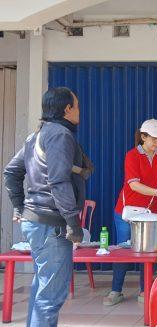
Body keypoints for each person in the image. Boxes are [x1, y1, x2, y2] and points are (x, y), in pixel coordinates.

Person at [3, 87, 89, 326]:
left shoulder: (37, 135)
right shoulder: (61, 134)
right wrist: (73, 222)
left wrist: (21, 208)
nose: (80, 111)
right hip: (52, 226)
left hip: (37, 223)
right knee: (50, 297)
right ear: (67, 109)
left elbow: (11, 172)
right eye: (77, 106)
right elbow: (59, 180)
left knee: (42, 290)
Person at [104, 119, 157, 306]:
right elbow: (134, 184)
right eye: (154, 139)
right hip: (127, 211)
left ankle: (144, 290)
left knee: (148, 252)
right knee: (124, 250)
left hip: (151, 213)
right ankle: (116, 290)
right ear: (143, 137)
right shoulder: (132, 156)